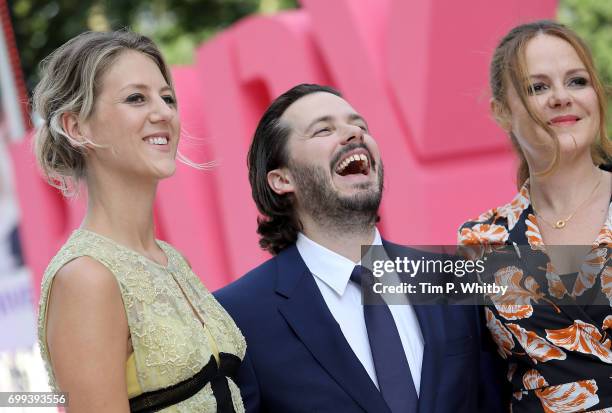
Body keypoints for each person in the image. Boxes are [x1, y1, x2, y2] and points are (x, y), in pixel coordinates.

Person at [215, 83, 504, 412]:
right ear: (282, 180)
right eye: (323, 129)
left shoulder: (451, 279)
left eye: (360, 125)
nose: (353, 133)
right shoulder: (236, 316)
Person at [35, 31, 246, 412]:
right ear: (77, 127)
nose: (164, 112)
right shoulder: (86, 278)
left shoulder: (172, 260)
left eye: (168, 98)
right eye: (136, 98)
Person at [458, 20, 612, 412]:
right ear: (502, 112)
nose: (561, 97)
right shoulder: (481, 241)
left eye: (576, 81)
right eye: (537, 87)